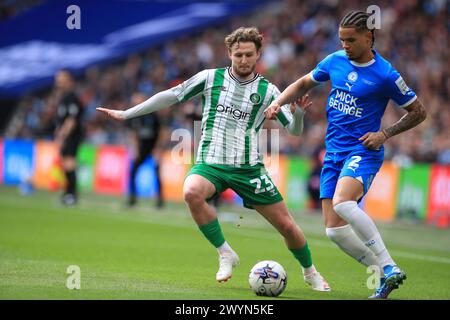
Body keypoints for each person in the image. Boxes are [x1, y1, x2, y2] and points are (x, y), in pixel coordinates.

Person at [97, 27, 330, 292]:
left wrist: (298, 114)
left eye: (249, 55)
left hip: (248, 168)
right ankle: (225, 253)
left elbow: (295, 131)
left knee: (287, 227)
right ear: (229, 53)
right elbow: (172, 96)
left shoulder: (269, 90)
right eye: (238, 54)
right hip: (211, 163)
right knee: (192, 192)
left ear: (258, 55)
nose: (243, 60)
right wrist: (128, 113)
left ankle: (310, 272)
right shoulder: (210, 78)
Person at [265, 11, 427, 299]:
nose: (345, 45)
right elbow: (303, 83)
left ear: (369, 36)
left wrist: (385, 134)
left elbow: (419, 111)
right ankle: (385, 275)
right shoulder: (335, 60)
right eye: (341, 40)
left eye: (351, 40)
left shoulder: (386, 74)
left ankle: (388, 265)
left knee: (342, 202)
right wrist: (278, 102)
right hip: (333, 152)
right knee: (334, 231)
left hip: (363, 150)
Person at [126, 92, 164, 208]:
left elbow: (162, 131)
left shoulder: (152, 114)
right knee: (132, 171)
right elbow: (132, 133)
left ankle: (160, 200)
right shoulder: (133, 116)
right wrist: (135, 149)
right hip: (141, 147)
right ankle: (132, 199)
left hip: (152, 147)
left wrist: (158, 148)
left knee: (157, 173)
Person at [53, 69, 84, 206]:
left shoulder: (72, 98)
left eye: (61, 78)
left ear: (68, 80)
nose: (58, 81)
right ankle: (68, 193)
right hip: (66, 136)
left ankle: (72, 194)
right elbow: (62, 120)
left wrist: (62, 136)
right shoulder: (63, 98)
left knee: (70, 164)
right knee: (65, 165)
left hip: (72, 136)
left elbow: (71, 120)